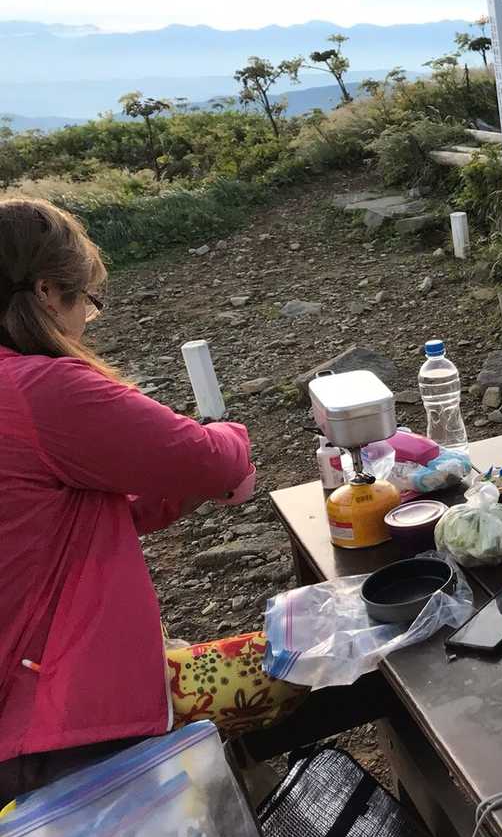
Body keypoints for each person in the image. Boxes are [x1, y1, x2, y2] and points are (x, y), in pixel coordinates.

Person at [0, 199, 302, 802]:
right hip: (59, 716)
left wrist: (175, 495)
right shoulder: (38, 389)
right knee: (304, 660)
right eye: (87, 301)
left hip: (27, 699)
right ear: (47, 292)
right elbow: (211, 459)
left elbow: (59, 523)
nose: (86, 319)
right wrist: (229, 435)